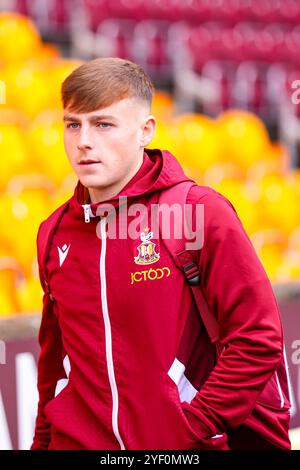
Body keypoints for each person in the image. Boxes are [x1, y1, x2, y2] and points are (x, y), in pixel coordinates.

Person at [31, 57, 291, 450]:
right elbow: (54, 366)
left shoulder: (199, 213)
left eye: (102, 124)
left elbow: (258, 338)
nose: (84, 140)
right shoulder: (53, 232)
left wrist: (192, 425)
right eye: (73, 124)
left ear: (145, 131)